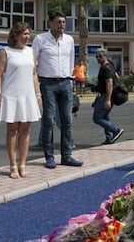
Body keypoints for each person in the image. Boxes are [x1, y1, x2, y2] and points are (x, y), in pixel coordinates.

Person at [32, 10, 83, 169]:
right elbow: (33, 63)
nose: (62, 25)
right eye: (58, 22)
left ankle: (66, 155)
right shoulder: (40, 39)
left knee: (67, 121)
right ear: (50, 23)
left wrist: (71, 81)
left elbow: (70, 61)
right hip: (48, 84)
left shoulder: (69, 40)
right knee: (49, 120)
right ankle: (49, 157)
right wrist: (36, 88)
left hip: (65, 83)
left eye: (63, 22)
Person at [0, 22, 41, 179]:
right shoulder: (5, 52)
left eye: (28, 34)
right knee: (12, 130)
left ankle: (22, 164)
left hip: (27, 95)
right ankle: (13, 165)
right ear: (15, 35)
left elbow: (34, 74)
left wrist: (38, 94)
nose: (27, 37)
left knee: (25, 130)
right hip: (11, 95)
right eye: (24, 34)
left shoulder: (31, 52)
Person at [92, 48, 124, 144]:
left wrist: (108, 99)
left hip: (105, 96)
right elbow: (117, 77)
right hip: (106, 95)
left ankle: (115, 129)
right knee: (104, 116)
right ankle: (109, 137)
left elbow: (109, 83)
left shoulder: (106, 68)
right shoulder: (110, 66)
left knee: (97, 118)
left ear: (105, 56)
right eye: (96, 57)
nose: (98, 58)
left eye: (100, 56)